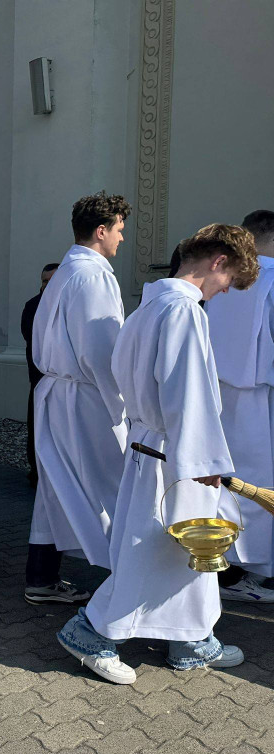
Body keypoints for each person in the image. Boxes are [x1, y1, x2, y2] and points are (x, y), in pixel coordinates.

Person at [57, 223, 259, 684]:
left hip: (154, 445)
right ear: (218, 262)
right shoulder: (183, 311)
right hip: (174, 452)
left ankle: (189, 638)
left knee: (190, 552)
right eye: (228, 282)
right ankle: (90, 632)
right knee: (154, 549)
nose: (224, 293)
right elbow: (188, 394)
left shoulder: (150, 306)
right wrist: (204, 463)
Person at [26, 193, 130, 605]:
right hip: (84, 397)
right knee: (113, 485)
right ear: (101, 230)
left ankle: (41, 576)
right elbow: (101, 350)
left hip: (59, 392)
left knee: (56, 486)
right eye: (120, 229)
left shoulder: (68, 269)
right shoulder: (93, 275)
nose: (123, 238)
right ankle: (128, 580)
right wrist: (125, 404)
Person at [205, 210, 274, 602]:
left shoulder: (227, 278)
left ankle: (225, 564)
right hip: (262, 392)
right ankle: (258, 573)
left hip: (220, 390)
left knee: (228, 481)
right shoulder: (271, 278)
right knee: (260, 481)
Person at [20, 263, 60, 485]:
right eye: (44, 281)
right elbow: (32, 337)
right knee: (37, 423)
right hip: (40, 376)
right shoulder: (33, 305)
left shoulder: (67, 303)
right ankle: (36, 470)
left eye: (51, 280)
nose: (46, 285)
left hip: (61, 380)